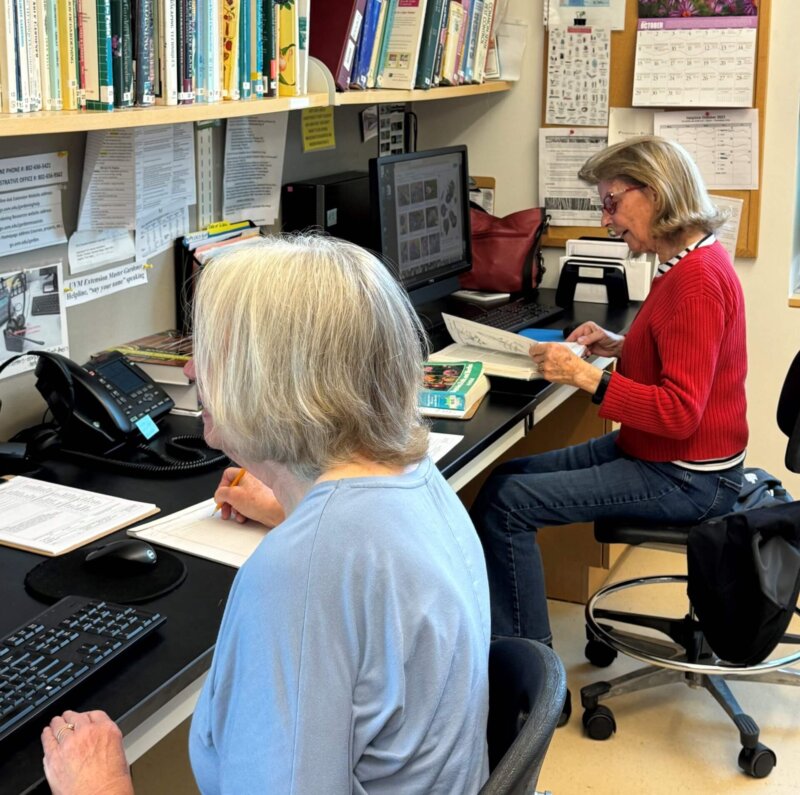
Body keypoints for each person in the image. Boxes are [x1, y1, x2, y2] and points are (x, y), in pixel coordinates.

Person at [41, 235, 491, 794]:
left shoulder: (299, 575)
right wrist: (294, 506)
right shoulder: (417, 478)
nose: (188, 370)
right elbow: (363, 568)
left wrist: (99, 786)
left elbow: (329, 577)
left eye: (207, 351)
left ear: (272, 377)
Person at [470, 135, 748, 655]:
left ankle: (530, 669)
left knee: (508, 505)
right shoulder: (687, 262)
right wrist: (619, 344)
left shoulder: (698, 282)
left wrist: (585, 376)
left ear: (657, 192)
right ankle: (505, 636)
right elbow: (682, 354)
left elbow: (680, 413)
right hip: (663, 454)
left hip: (688, 476)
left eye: (612, 203)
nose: (606, 220)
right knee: (506, 477)